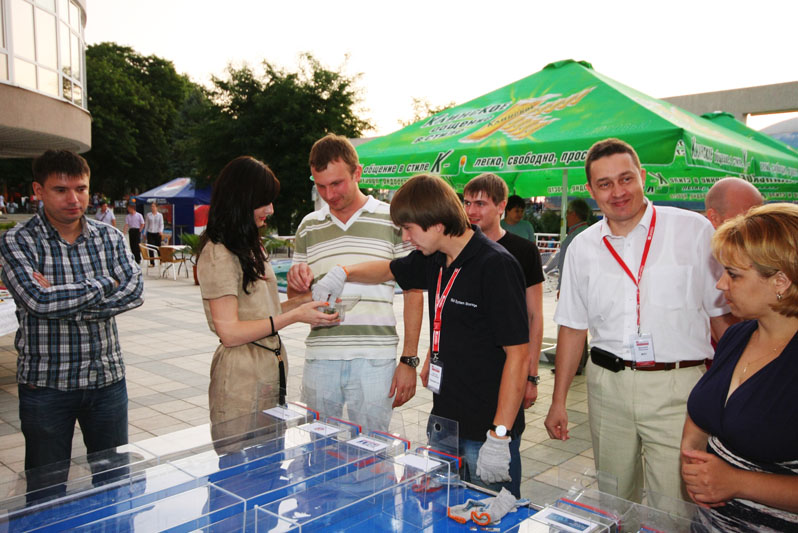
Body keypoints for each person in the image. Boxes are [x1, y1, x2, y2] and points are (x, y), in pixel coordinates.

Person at [544, 138, 735, 505]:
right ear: (591, 190)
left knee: (676, 505)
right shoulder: (582, 247)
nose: (618, 192)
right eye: (605, 184)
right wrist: (558, 401)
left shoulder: (693, 230)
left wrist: (734, 391)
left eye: (626, 179)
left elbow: (721, 320)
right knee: (614, 499)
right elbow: (572, 328)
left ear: (643, 176)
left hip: (679, 389)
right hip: (607, 387)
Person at [313, 174, 529, 497]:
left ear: (437, 223)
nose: (405, 237)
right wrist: (343, 273)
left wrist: (499, 434)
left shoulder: (495, 266)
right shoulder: (435, 258)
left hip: (486, 429)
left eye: (408, 228)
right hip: (445, 422)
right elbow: (389, 269)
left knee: (488, 513)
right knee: (445, 510)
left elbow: (519, 355)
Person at [0, 150, 143, 491]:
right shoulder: (17, 240)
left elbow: (135, 291)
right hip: (47, 384)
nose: (74, 199)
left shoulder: (109, 237)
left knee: (114, 483)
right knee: (46, 489)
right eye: (61, 190)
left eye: (81, 189)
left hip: (106, 381)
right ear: (38, 190)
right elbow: (38, 301)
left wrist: (61, 298)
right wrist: (105, 283)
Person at [287, 134, 423, 432]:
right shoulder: (308, 226)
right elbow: (298, 299)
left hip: (375, 359)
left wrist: (409, 360)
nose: (329, 194)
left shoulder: (392, 219)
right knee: (319, 448)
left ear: (357, 172)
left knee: (374, 449)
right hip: (321, 356)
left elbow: (414, 292)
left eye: (336, 183)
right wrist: (297, 283)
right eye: (320, 186)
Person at [197, 156, 339, 441]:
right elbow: (230, 333)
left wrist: (306, 300)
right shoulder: (218, 253)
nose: (271, 210)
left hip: (268, 367)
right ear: (241, 201)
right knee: (240, 459)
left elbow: (262, 312)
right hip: (241, 373)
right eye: (264, 202)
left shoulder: (249, 247)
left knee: (271, 454)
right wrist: (295, 316)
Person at [681, 203, 798, 531]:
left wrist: (737, 482)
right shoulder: (737, 336)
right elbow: (703, 415)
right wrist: (692, 461)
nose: (720, 284)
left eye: (733, 274)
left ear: (780, 281)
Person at [461, 172, 544, 408]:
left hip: (507, 367)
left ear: (501, 206)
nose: (471, 211)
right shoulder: (455, 249)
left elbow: (534, 315)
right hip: (461, 370)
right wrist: (432, 356)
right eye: (467, 203)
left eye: (480, 203)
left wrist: (531, 375)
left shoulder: (524, 251)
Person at [556, 198, 591, 292]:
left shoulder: (573, 238)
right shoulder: (591, 233)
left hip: (573, 289)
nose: (566, 217)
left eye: (567, 213)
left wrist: (561, 288)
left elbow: (565, 266)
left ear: (573, 214)